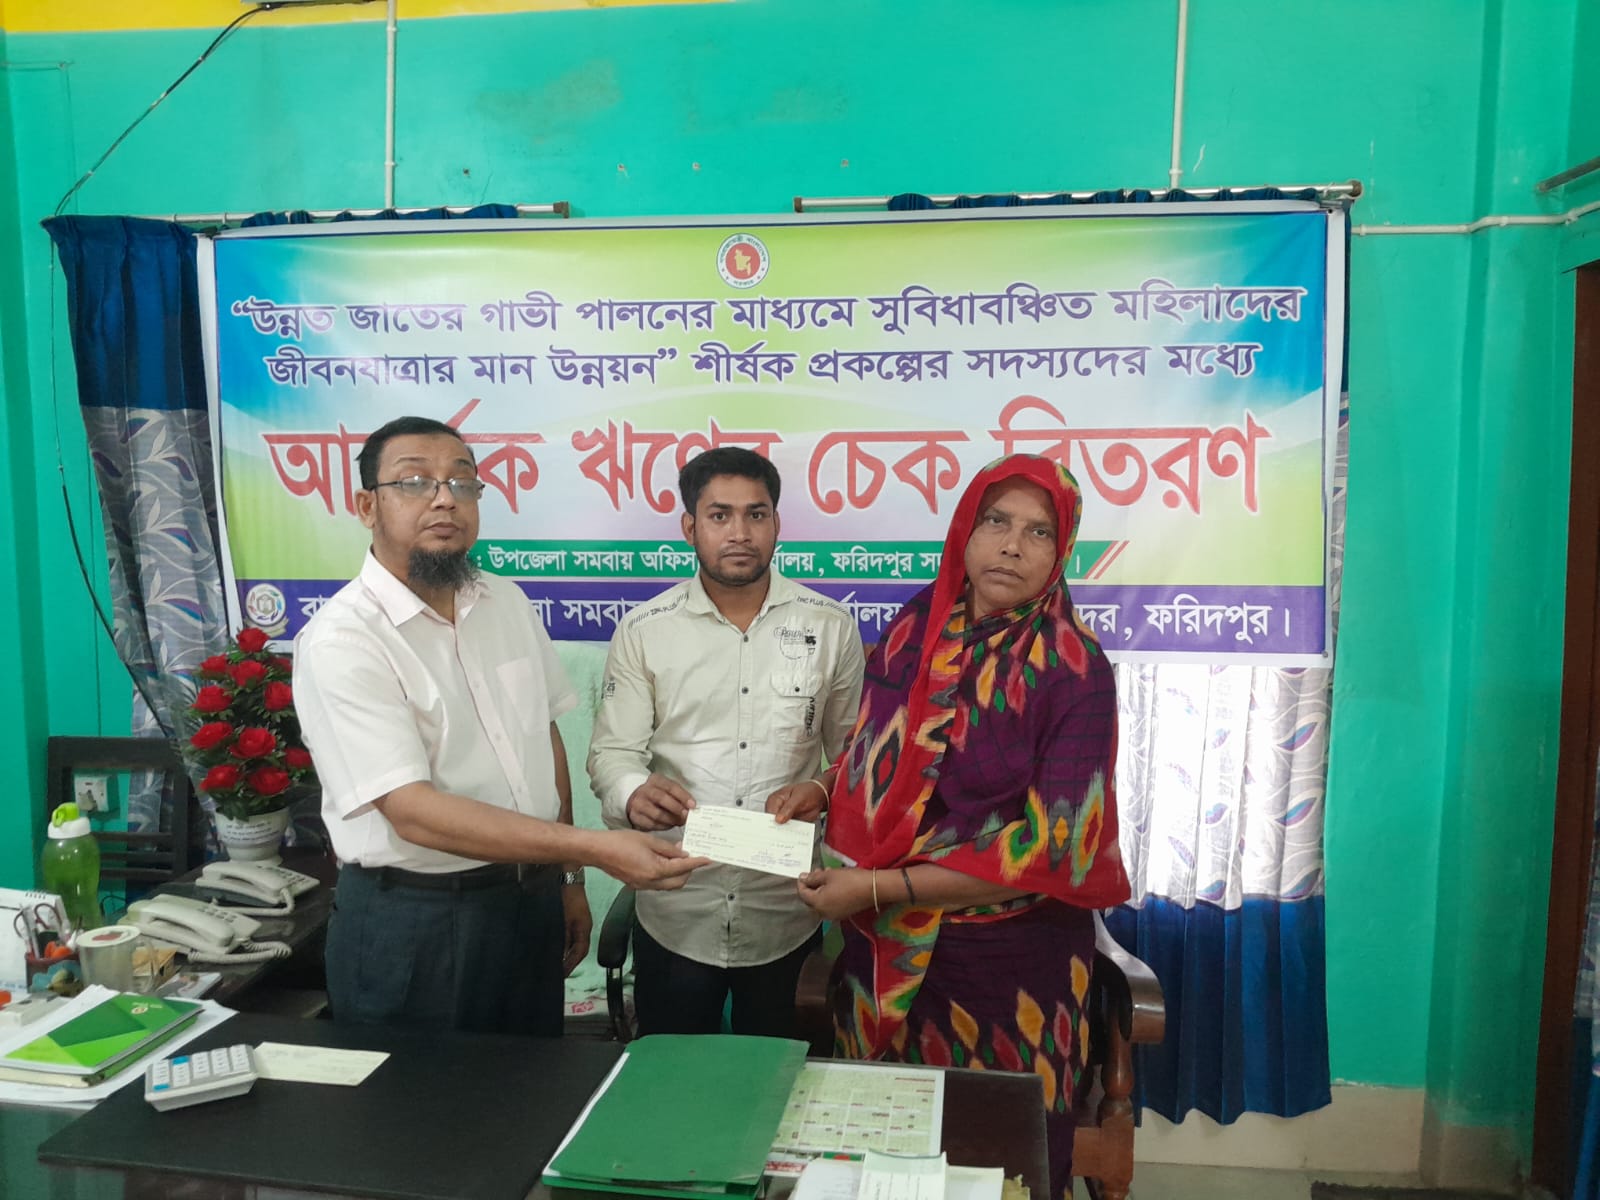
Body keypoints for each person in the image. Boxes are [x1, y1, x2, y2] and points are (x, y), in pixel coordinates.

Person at [293, 415, 705, 1035]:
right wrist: (592, 849)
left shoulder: (505, 601)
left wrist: (567, 879)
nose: (443, 499)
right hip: (418, 920)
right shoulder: (343, 640)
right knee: (422, 1097)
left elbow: (544, 740)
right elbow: (413, 812)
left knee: (534, 1085)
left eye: (462, 483)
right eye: (414, 482)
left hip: (529, 906)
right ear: (366, 506)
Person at [796, 453, 1130, 1198]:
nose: (1011, 546)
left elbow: (1052, 847)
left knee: (997, 1166)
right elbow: (878, 749)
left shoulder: (1075, 672)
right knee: (882, 1160)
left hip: (1009, 972)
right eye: (996, 522)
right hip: (881, 952)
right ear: (964, 531)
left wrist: (879, 887)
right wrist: (821, 788)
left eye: (1038, 532)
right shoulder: (915, 630)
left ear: (1062, 550)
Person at [588, 446, 866, 1037]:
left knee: (783, 1073)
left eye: (755, 514)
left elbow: (857, 759)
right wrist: (633, 793)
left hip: (785, 909)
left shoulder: (829, 626)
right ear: (690, 527)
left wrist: (821, 789)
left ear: (777, 523)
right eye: (719, 515)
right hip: (677, 903)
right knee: (671, 1076)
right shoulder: (644, 631)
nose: (739, 533)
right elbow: (612, 753)